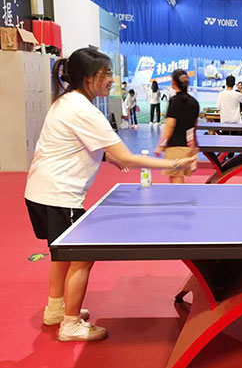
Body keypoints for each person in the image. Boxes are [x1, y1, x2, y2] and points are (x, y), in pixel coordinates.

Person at [24, 48, 197, 342]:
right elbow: (127, 156)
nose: (111, 79)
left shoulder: (66, 101)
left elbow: (73, 145)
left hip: (40, 192)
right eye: (106, 74)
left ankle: (56, 309)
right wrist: (173, 164)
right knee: (82, 257)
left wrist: (107, 158)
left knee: (61, 254)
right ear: (89, 78)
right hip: (59, 193)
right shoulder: (84, 110)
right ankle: (70, 324)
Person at [155, 69, 200, 184]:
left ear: (173, 83)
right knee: (177, 178)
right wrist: (194, 146)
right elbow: (194, 126)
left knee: (176, 180)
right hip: (188, 146)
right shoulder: (194, 103)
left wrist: (161, 144)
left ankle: (181, 197)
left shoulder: (174, 101)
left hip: (175, 146)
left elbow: (170, 125)